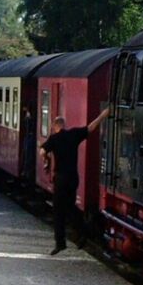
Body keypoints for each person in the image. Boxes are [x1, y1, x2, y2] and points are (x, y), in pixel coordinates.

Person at [40, 106, 111, 255]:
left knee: (58, 210)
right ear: (64, 125)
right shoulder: (73, 135)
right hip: (73, 177)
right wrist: (103, 115)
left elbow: (42, 151)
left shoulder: (54, 138)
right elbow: (91, 127)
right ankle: (81, 235)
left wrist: (46, 161)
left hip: (60, 178)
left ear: (54, 126)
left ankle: (60, 243)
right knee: (71, 207)